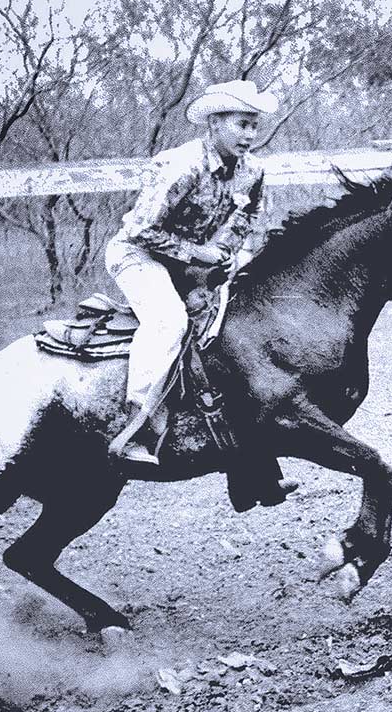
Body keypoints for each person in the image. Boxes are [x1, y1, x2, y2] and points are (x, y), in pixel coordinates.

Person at [105, 78, 294, 508]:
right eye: (242, 125)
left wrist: (221, 256)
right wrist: (200, 255)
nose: (250, 135)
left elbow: (245, 221)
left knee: (241, 330)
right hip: (139, 256)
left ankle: (250, 470)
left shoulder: (254, 171)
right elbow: (140, 229)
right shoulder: (179, 166)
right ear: (214, 123)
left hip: (200, 262)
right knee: (169, 321)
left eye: (254, 126)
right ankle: (137, 423)